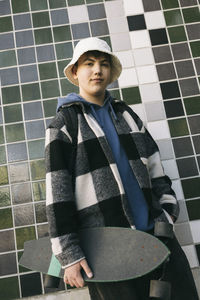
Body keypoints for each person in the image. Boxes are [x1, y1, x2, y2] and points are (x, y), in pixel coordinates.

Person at [45, 37, 198, 300]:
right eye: (89, 63)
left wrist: (166, 216)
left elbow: (157, 171)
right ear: (75, 72)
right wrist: (68, 254)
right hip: (107, 251)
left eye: (104, 64)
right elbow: (57, 195)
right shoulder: (64, 124)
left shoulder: (127, 115)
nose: (97, 70)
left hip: (157, 240)